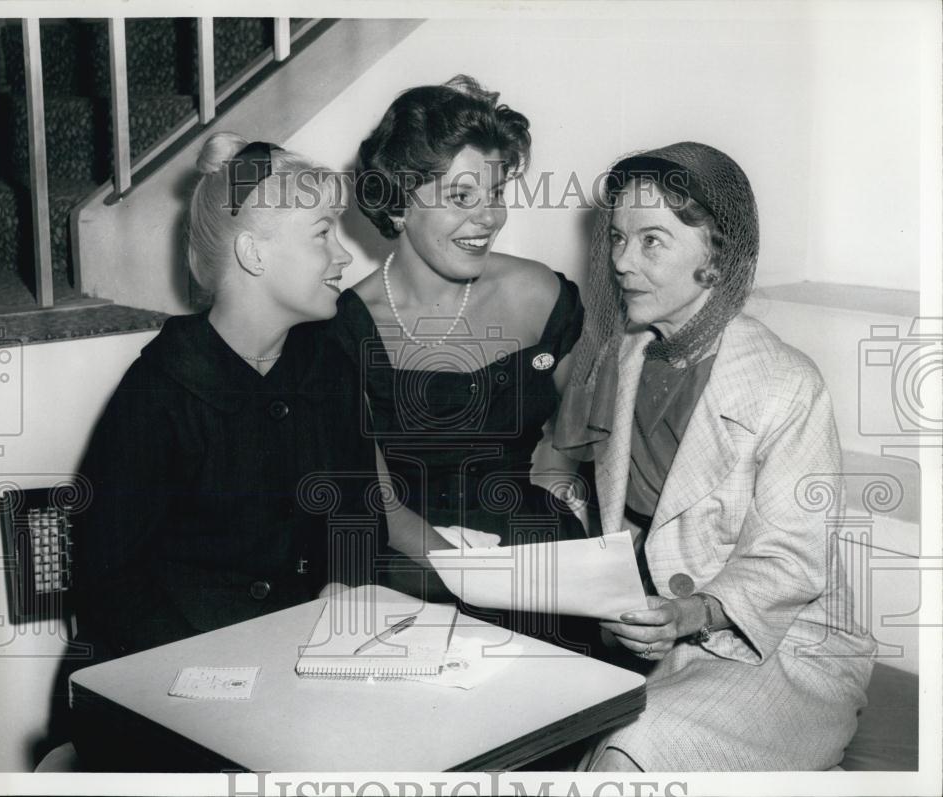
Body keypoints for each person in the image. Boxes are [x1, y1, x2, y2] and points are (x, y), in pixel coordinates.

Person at [554, 142, 875, 771]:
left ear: (718, 257)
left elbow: (791, 562)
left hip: (785, 650)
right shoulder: (624, 358)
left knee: (634, 745)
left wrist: (689, 613)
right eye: (618, 237)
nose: (620, 261)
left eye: (652, 241)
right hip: (660, 641)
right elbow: (627, 516)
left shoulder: (788, 383)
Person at [72, 133, 383, 665]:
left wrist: (344, 585)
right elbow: (109, 578)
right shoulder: (160, 389)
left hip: (299, 655)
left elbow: (361, 517)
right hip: (169, 667)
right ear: (252, 253)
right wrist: (219, 667)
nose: (343, 255)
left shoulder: (330, 367)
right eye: (322, 234)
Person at [330, 76, 587, 609]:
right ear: (398, 205)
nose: (488, 217)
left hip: (538, 559)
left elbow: (584, 433)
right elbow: (381, 505)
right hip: (413, 573)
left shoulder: (539, 294)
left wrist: (560, 492)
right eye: (461, 196)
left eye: (495, 194)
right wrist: (480, 577)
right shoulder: (343, 328)